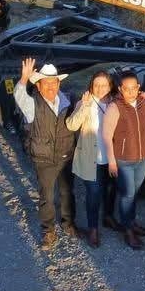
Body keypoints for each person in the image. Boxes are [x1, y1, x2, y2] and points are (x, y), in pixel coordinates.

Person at [15, 59, 79, 251]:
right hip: (43, 159)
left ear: (59, 84)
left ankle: (68, 223)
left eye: (54, 83)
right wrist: (24, 79)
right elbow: (19, 96)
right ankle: (48, 230)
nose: (51, 87)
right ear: (39, 85)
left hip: (65, 155)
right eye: (46, 83)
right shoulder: (32, 104)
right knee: (47, 196)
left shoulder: (68, 100)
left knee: (67, 192)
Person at [102, 71, 145, 250]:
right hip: (123, 160)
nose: (131, 92)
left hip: (142, 156)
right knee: (127, 194)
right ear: (120, 89)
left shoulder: (144, 102)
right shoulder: (114, 107)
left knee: (134, 193)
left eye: (134, 88)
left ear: (138, 87)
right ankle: (128, 230)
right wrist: (111, 161)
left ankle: (131, 222)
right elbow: (107, 135)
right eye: (126, 89)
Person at [68, 70, 114, 248]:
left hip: (111, 158)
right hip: (91, 158)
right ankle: (93, 228)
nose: (100, 88)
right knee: (94, 194)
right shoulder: (84, 102)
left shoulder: (115, 103)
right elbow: (72, 125)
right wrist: (84, 106)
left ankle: (108, 217)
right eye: (96, 85)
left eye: (104, 85)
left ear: (110, 86)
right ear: (91, 86)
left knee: (110, 190)